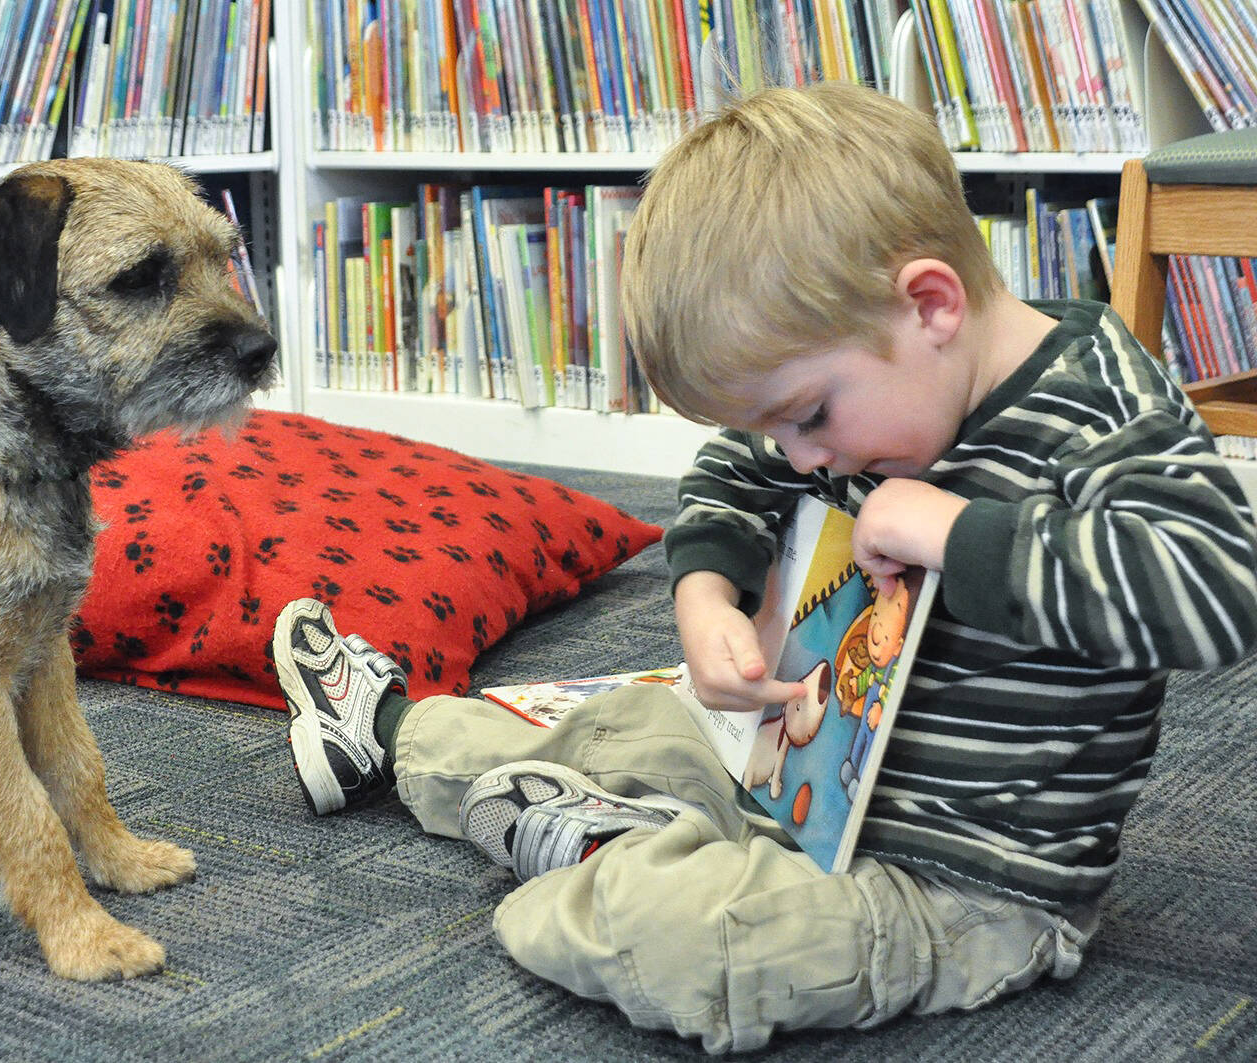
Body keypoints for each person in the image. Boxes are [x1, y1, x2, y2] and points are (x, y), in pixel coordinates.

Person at [271, 80, 1257, 1054]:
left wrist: (953, 530)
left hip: (960, 889)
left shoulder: (1103, 411)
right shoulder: (840, 397)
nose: (796, 458)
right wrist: (705, 596)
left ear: (929, 304)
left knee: (680, 938)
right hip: (786, 787)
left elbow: (1218, 589)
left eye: (806, 416)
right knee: (624, 721)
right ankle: (393, 733)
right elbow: (731, 474)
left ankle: (607, 854)